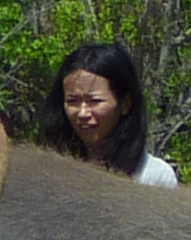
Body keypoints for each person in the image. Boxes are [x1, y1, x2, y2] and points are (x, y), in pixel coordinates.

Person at [39, 40, 176, 184]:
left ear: (125, 104)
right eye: (73, 101)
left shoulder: (154, 176)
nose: (82, 113)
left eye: (94, 101)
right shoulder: (51, 171)